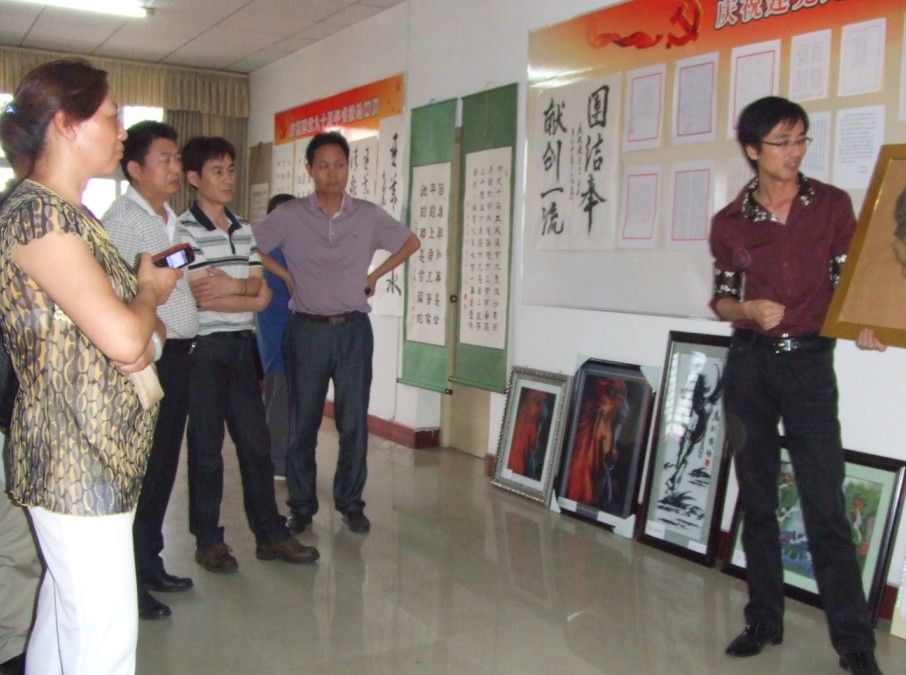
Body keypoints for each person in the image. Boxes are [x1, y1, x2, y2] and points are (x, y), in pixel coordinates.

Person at [0, 58, 180, 674]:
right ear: (66, 124)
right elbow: (128, 339)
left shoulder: (67, 214)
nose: (121, 132)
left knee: (66, 621)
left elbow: (139, 332)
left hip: (93, 452)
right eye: (110, 117)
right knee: (103, 641)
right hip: (74, 460)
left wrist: (143, 317)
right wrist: (149, 293)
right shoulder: (38, 216)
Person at [710, 96, 881, 675]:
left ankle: (854, 643)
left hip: (809, 366)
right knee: (757, 497)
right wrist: (746, 309)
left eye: (802, 139)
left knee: (824, 503)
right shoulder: (730, 222)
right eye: (783, 142)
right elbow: (722, 297)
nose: (796, 151)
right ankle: (764, 619)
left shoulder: (831, 205)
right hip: (750, 366)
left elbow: (850, 281)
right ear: (753, 149)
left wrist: (866, 321)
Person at [254, 131, 420, 535]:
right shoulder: (290, 215)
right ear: (310, 170)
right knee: (303, 423)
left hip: (353, 331)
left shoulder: (367, 215)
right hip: (306, 331)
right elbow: (248, 243)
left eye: (340, 165)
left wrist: (374, 276)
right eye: (323, 165)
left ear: (349, 167)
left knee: (353, 423)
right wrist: (283, 273)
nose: (332, 173)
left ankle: (350, 503)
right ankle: (301, 506)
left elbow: (410, 241)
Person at [177, 136, 318, 573]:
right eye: (217, 171)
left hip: (242, 349)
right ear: (194, 178)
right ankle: (208, 541)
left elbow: (262, 295)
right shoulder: (184, 231)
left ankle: (270, 535)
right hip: (204, 351)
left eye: (231, 170)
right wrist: (244, 291)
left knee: (256, 446)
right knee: (206, 451)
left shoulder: (244, 228)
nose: (228, 179)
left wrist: (234, 287)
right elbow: (203, 297)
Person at [102, 121, 197, 621]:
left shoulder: (169, 219)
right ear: (135, 168)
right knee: (141, 471)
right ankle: (130, 582)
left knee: (161, 468)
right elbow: (120, 296)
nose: (175, 167)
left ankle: (150, 561)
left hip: (178, 355)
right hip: (147, 357)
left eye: (177, 158)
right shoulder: (123, 220)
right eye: (165, 158)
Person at [254, 193, 295, 479]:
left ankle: (277, 458)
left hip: (281, 337)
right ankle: (278, 462)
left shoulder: (282, 249)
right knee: (280, 399)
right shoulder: (273, 251)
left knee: (278, 398)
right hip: (278, 336)